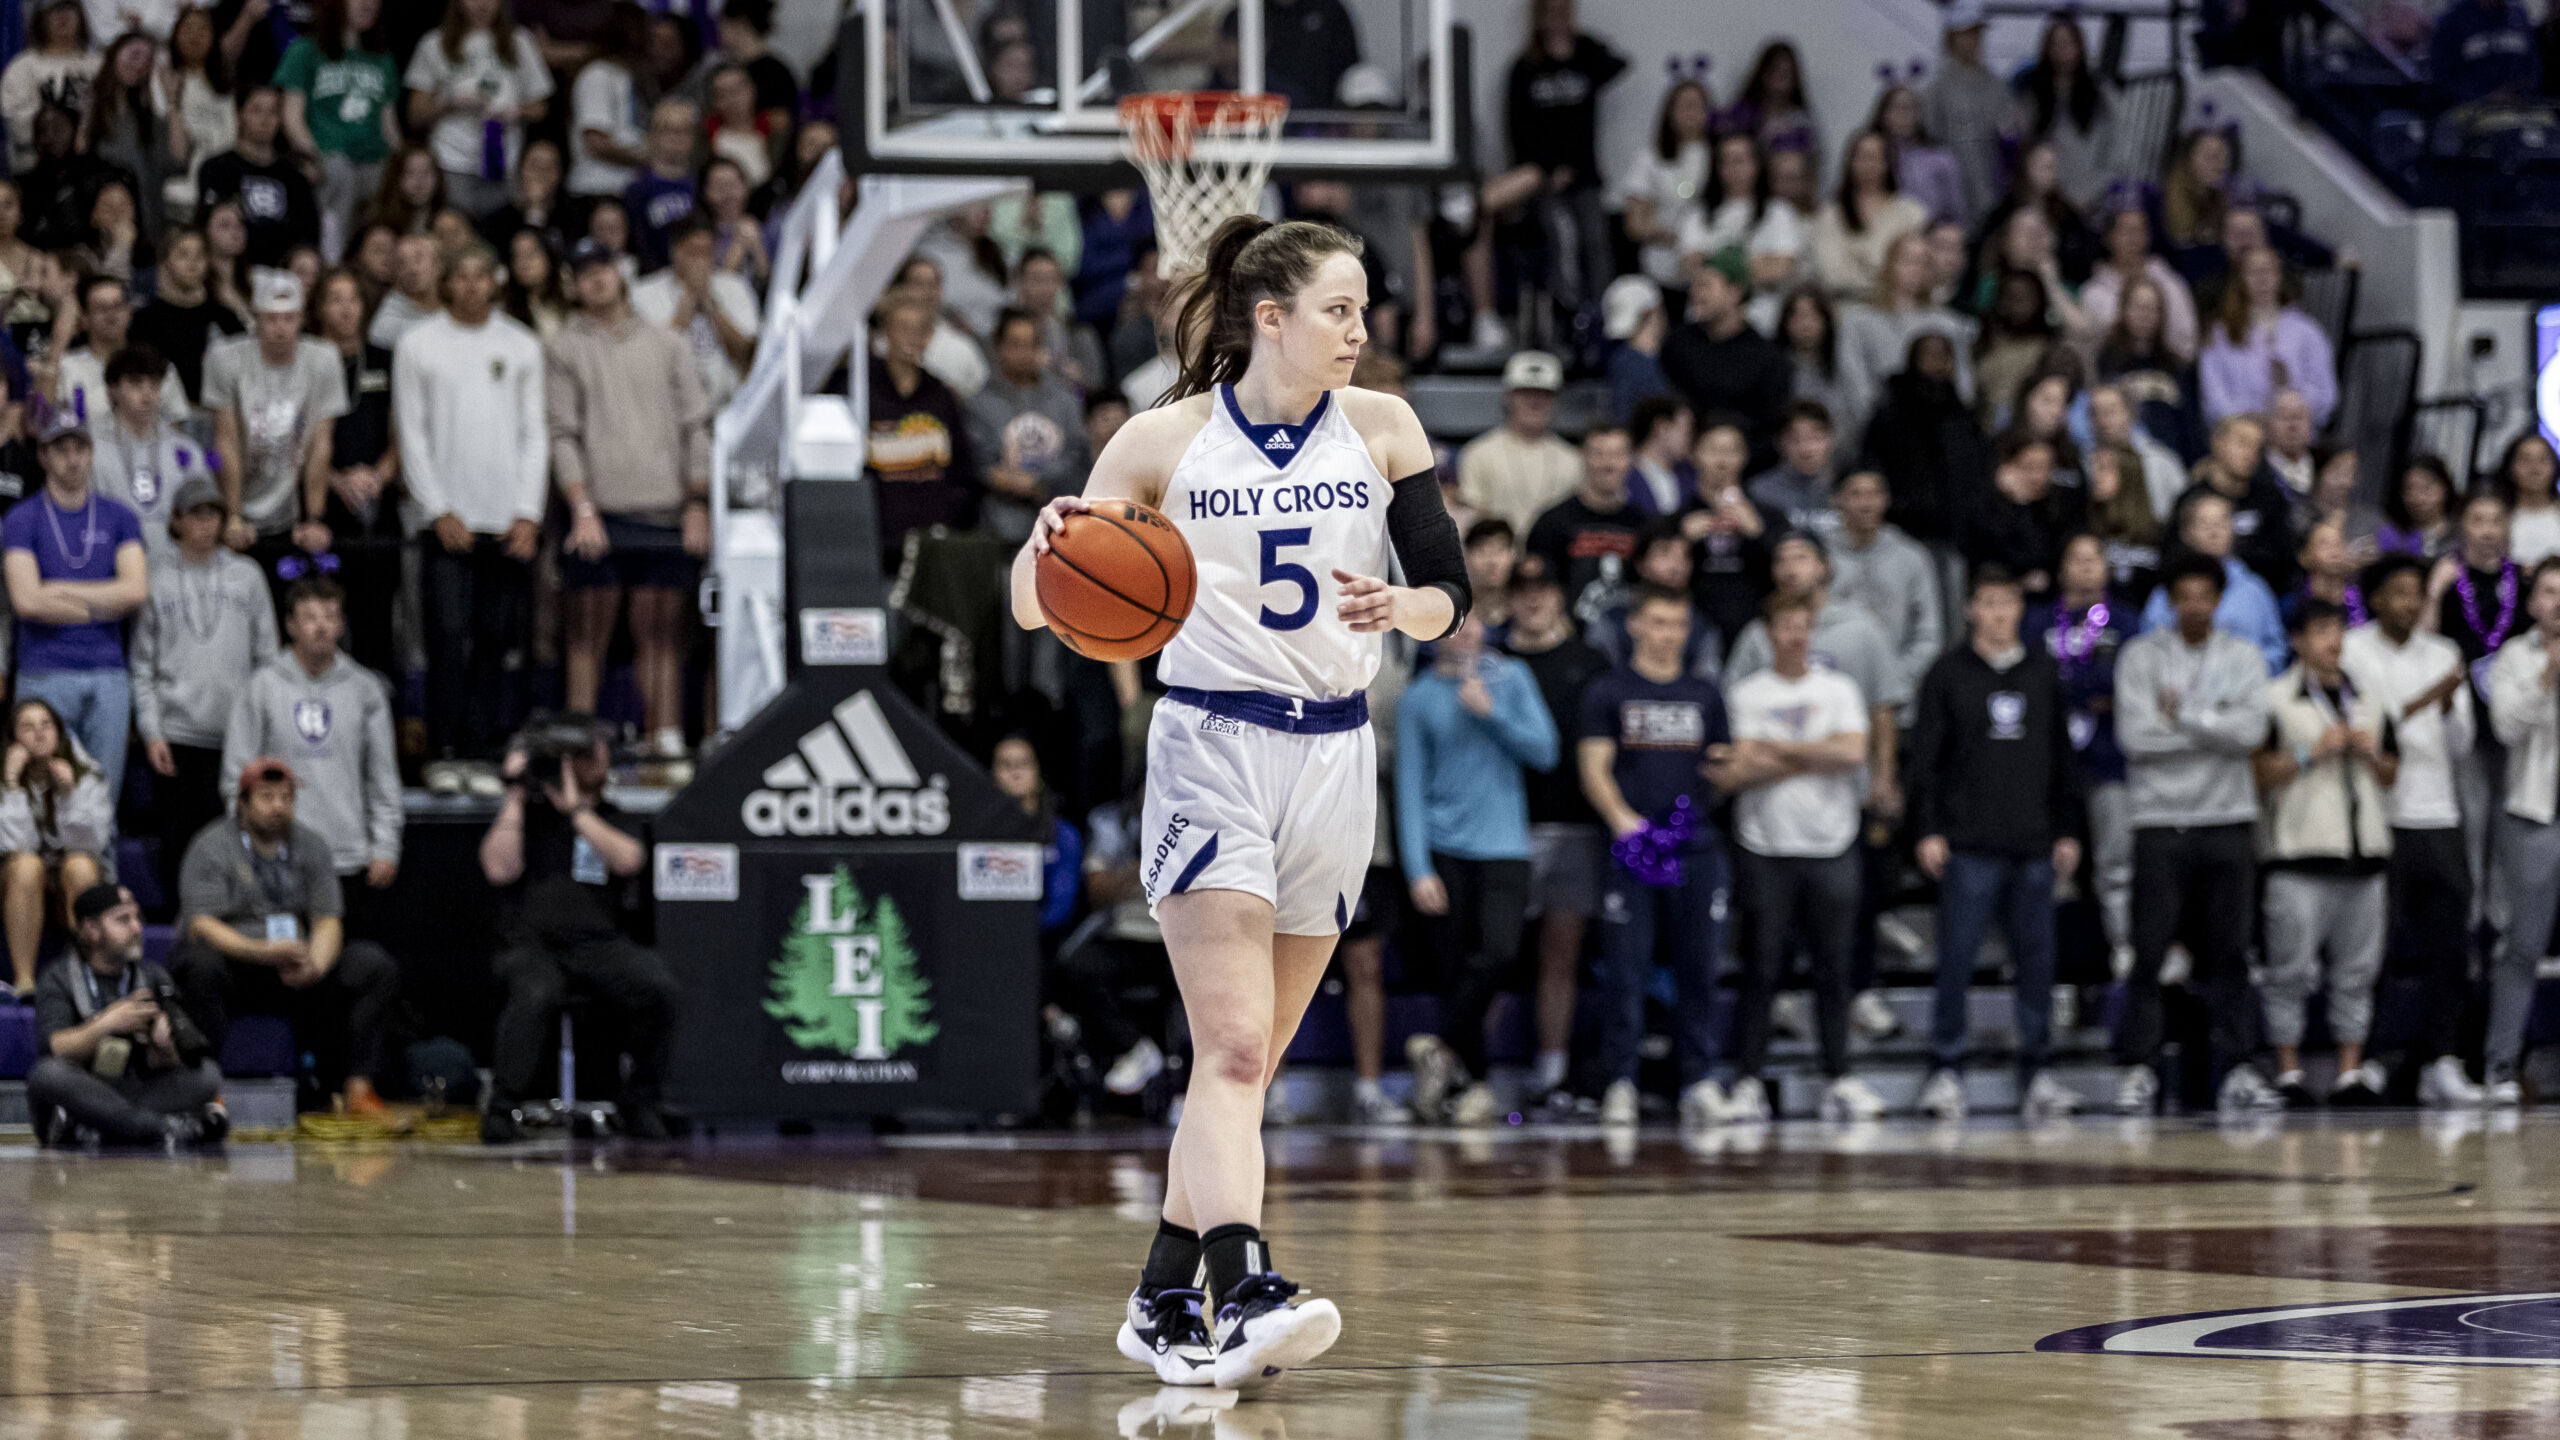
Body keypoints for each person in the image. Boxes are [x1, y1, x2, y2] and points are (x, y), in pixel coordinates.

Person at [1008, 216, 1465, 1391]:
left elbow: (1448, 591)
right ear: (1271, 317)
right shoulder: (1162, 439)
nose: (1359, 330)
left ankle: (1160, 1300)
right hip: (1212, 744)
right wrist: (1044, 543)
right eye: (1338, 309)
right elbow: (1035, 599)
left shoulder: (1384, 426)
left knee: (1244, 1071)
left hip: (1337, 755)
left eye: (1362, 310)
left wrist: (1405, 609)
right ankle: (1247, 1286)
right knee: (1234, 1045)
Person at [1908, 565, 2083, 1119]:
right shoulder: (1947, 674)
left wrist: (2068, 829)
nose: (1999, 614)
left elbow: (2062, 758)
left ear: (2020, 610)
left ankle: (2038, 1072)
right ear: (1970, 610)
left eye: (2008, 602)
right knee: (1956, 960)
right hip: (1967, 844)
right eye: (1988, 603)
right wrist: (1928, 829)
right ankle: (1945, 1070)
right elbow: (1926, 761)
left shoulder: (2043, 674)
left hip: (2033, 843)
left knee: (2037, 964)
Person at [2111, 551, 2273, 1113]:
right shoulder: (2141, 656)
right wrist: (2215, 728)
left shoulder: (2243, 656)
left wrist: (2182, 718)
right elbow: (2135, 738)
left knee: (2231, 952)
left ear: (2219, 600)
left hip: (2227, 819)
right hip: (2160, 821)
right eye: (2185, 596)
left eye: (2205, 596)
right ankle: (2140, 1066)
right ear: (2171, 601)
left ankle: (2239, 1066)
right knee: (2150, 952)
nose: (2195, 605)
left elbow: (2251, 733)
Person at [1716, 592, 1881, 1121]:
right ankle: (1747, 1080)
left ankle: (1840, 1076)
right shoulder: (1746, 693)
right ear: (1769, 634)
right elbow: (1735, 769)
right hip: (1765, 845)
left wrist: (1776, 750)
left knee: (1834, 969)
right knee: (1762, 968)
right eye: (1786, 626)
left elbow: (1853, 751)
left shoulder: (1838, 689)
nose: (1795, 636)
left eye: (1803, 626)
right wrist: (1816, 752)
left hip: (1831, 843)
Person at [478, 713, 678, 1142]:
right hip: (531, 946)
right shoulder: (528, 818)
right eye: (572, 755)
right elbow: (498, 869)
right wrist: (515, 794)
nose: (583, 762)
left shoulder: (613, 817)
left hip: (597, 944)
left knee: (658, 987)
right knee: (535, 991)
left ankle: (640, 1100)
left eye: (590, 753)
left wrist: (578, 813)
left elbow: (629, 861)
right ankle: (502, 1108)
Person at [1575, 584, 1731, 1126]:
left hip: (1697, 847)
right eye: (1659, 622)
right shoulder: (1609, 690)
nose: (1669, 635)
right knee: (1625, 969)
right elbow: (1593, 767)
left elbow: (1721, 768)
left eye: (1678, 625)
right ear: (1635, 625)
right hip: (1634, 847)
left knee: (1700, 969)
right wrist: (1624, 822)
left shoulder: (1706, 694)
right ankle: (1619, 1080)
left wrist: (1746, 766)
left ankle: (1698, 1081)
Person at [171, 754, 400, 1118]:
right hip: (238, 964)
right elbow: (202, 925)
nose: (278, 806)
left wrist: (316, 964)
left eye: (286, 797)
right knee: (198, 964)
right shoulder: (211, 846)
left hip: (295, 967)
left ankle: (359, 1088)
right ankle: (205, 1090)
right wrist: (263, 951)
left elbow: (327, 920)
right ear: (242, 802)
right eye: (267, 797)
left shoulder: (312, 845)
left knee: (373, 965)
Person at [394, 241, 546, 774]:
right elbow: (412, 434)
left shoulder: (522, 344)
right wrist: (437, 509)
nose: (471, 285)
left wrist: (528, 511)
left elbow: (534, 434)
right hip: (446, 522)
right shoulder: (418, 344)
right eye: (461, 275)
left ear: (496, 282)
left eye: (481, 275)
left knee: (494, 640)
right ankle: (444, 750)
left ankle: (481, 751)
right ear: (446, 282)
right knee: (446, 637)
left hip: (505, 519)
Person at [1398, 612, 1554, 1126]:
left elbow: (1546, 752)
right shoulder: (1418, 698)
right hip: (1445, 850)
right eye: (1455, 626)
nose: (1467, 633)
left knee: (1499, 953)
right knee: (1456, 971)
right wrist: (1418, 869)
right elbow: (1409, 787)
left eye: (1474, 625)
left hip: (1505, 846)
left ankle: (1439, 1049)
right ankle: (1476, 1085)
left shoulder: (1513, 679)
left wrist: (1493, 713)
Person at [2254, 598, 2397, 1108]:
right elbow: (2258, 772)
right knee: (2289, 971)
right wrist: (2309, 753)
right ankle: (2288, 1071)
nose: (2333, 640)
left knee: (2358, 971)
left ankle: (2350, 1072)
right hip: (2298, 852)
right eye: (2320, 630)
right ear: (2297, 640)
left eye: (2337, 629)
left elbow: (2391, 772)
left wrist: (2370, 754)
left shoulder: (2369, 697)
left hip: (2363, 850)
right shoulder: (2275, 698)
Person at [1501, 551, 1612, 1106]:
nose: (1533, 598)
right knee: (1493, 955)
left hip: (1574, 824)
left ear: (1560, 595)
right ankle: (1475, 1075)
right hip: (1499, 832)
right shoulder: (1491, 660)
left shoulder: (1590, 662)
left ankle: (1551, 1072)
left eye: (1543, 588)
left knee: (1560, 956)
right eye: (1523, 590)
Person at [134, 477, 274, 903]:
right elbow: (142, 668)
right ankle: (184, 921)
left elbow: (267, 660)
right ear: (176, 520)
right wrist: (152, 732)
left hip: (236, 735)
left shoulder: (247, 576)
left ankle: (232, 916)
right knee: (179, 838)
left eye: (213, 513)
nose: (206, 523)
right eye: (196, 513)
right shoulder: (156, 579)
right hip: (177, 734)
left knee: (236, 836)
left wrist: (262, 728)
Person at [4, 412, 148, 801]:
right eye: (61, 449)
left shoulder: (120, 517)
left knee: (102, 798)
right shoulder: (21, 518)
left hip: (108, 672)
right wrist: (102, 603)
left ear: (91, 452)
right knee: (39, 795)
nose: (72, 459)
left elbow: (135, 591)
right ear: (43, 456)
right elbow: (26, 601)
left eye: (80, 448)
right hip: (43, 670)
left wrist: (56, 590)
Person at [26, 883, 228, 1148]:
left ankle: (104, 1130)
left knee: (208, 1074)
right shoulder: (59, 977)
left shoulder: (153, 975)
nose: (137, 928)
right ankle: (157, 1128)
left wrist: (166, 1054)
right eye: (123, 920)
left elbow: (184, 1053)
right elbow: (55, 1047)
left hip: (131, 1089)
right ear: (92, 929)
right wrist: (107, 1023)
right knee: (48, 1074)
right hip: (87, 1087)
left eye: (137, 918)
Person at [206, 269, 346, 605]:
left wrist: (314, 517)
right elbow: (226, 441)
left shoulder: (323, 359)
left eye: (289, 318)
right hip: (242, 493)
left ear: (302, 318)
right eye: (271, 319)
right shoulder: (225, 358)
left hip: (290, 504)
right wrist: (233, 515)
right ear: (255, 319)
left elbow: (320, 445)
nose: (281, 328)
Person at [2486, 557, 2560, 1106]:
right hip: (2534, 815)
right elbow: (2507, 727)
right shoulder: (2514, 656)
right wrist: (2548, 675)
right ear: (2532, 602)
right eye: (2550, 592)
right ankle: (2501, 1065)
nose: (2559, 603)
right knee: (2523, 946)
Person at [0, 698, 113, 1000]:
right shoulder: (3, 776)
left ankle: (88, 975)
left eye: (46, 724)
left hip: (68, 885)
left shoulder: (87, 774)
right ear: (13, 739)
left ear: (59, 732)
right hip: (17, 885)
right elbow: (12, 845)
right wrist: (12, 784)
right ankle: (25, 980)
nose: (39, 733)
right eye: (27, 727)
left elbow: (93, 844)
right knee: (27, 865)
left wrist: (68, 795)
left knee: (80, 865)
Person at [402, 0, 553, 219]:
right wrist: (449, 104)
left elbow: (540, 107)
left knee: (499, 230)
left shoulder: (520, 41)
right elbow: (414, 113)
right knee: (454, 229)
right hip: (450, 161)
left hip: (504, 162)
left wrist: (516, 111)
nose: (482, 5)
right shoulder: (434, 42)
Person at [276, 0, 401, 259]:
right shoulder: (304, 50)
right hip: (329, 158)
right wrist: (313, 157)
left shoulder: (383, 58)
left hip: (374, 158)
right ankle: (332, 266)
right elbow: (292, 118)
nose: (369, 5)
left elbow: (389, 126)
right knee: (339, 173)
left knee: (396, 180)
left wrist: (403, 163)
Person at [967, 306, 1089, 545]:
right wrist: (1003, 479)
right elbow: (979, 465)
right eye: (1015, 344)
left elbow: (1077, 457)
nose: (1024, 353)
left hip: (1062, 528)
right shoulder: (978, 404)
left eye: (1032, 344)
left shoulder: (1064, 400)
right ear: (998, 345)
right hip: (1002, 529)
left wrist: (1037, 481)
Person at [88, 344, 211, 576]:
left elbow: (203, 515)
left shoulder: (184, 449)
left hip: (176, 573)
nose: (147, 394)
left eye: (154, 384)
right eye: (136, 383)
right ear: (113, 389)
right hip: (112, 570)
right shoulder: (91, 450)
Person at [1659, 249, 1792, 461]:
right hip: (1685, 460)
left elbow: (1773, 427)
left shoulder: (1766, 357)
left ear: (1734, 292)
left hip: (1749, 464)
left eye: (1706, 285)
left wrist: (1731, 457)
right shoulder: (1678, 344)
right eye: (1695, 285)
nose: (1696, 294)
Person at [1828, 468, 1943, 705]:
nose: (1866, 504)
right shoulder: (1821, 556)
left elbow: (1929, 633)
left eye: (1874, 494)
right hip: (1832, 689)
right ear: (1837, 500)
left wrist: (1896, 679)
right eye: (1856, 494)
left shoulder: (1912, 557)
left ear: (1886, 499)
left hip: (1899, 690)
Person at [2141, 489, 2287, 675]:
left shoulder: (2255, 589)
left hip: (2248, 685)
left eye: (2221, 523)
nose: (2214, 532)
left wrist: (2248, 676)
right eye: (2205, 524)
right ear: (2186, 533)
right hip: (2181, 685)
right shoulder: (2168, 590)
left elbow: (2276, 648)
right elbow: (2150, 648)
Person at [2200, 247, 2337, 429]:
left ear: (2279, 276)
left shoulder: (2306, 331)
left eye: (2268, 271)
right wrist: (2252, 417)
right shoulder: (2220, 333)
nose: (2262, 279)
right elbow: (2213, 397)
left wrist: (2290, 391)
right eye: (2254, 272)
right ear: (2240, 279)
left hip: (2293, 433)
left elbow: (2325, 395)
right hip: (2242, 433)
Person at [1525, 424, 1641, 628]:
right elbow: (1534, 589)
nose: (1608, 464)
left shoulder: (1645, 525)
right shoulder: (1550, 523)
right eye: (1599, 454)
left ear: (1631, 460)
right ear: (1582, 456)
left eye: (1617, 454)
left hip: (1631, 637)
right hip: (1567, 638)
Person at [196, 86, 323, 268]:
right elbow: (210, 227)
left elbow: (309, 235)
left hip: (284, 274)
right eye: (257, 110)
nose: (265, 120)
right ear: (239, 113)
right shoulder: (216, 168)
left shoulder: (296, 177)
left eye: (272, 112)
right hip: (234, 269)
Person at [1456, 349, 1577, 538]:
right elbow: (1474, 521)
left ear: (1556, 400)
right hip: (1493, 552)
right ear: (1509, 397)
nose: (1535, 401)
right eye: (1525, 393)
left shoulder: (1573, 460)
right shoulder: (1477, 454)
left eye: (1544, 394)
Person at [2017, 14, 2125, 211]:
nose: (2062, 50)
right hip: (2049, 204)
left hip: (2095, 200)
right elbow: (2025, 151)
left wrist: (2090, 192)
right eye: (2056, 44)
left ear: (2080, 47)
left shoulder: (2102, 94)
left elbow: (2117, 151)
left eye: (2068, 43)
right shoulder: (2033, 96)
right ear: (2046, 49)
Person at [132, 227, 247, 409]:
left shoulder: (225, 317)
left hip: (222, 411)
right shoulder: (145, 320)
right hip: (164, 412)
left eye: (200, 255)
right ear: (164, 262)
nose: (193, 264)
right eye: (183, 255)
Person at [1813, 129, 1928, 303]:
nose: (1868, 165)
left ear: (1888, 163)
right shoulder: (1830, 214)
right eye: (1862, 157)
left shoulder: (1911, 212)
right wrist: (1880, 275)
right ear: (1850, 162)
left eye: (1874, 157)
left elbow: (1913, 271)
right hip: (1844, 304)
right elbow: (1831, 274)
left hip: (1896, 306)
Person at [1618, 78, 1712, 292]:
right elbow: (1634, 223)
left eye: (1697, 106)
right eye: (1684, 106)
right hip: (1661, 262)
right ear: (1669, 112)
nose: (1691, 113)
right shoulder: (1650, 159)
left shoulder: (1717, 154)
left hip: (1708, 263)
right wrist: (1666, 234)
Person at [1923, 0, 2007, 224]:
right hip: (1951, 200)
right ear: (1952, 37)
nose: (1975, 39)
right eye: (1968, 32)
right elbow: (1930, 143)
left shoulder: (1996, 85)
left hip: (1992, 197)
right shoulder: (1938, 88)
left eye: (1978, 32)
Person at [622, 97, 701, 274]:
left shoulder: (703, 185)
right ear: (653, 135)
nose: (676, 137)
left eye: (684, 131)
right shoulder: (636, 190)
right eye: (668, 130)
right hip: (652, 279)